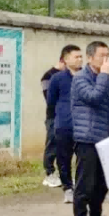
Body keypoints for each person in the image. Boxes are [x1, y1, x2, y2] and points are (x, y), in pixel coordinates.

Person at [70, 40, 109, 216]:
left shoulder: (106, 78)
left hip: (105, 135)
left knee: (102, 181)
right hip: (87, 136)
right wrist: (104, 75)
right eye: (102, 55)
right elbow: (93, 97)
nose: (106, 60)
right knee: (86, 181)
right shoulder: (80, 79)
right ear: (90, 58)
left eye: (108, 55)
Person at [47, 44, 82, 204]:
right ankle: (68, 188)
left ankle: (84, 189)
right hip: (64, 126)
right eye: (76, 56)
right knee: (64, 158)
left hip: (83, 126)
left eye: (81, 56)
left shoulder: (87, 77)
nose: (80, 59)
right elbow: (51, 102)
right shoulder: (57, 79)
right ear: (66, 59)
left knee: (85, 159)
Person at [40, 57, 65, 188]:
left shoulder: (68, 76)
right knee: (52, 144)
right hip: (53, 117)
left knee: (63, 146)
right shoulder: (48, 76)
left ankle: (62, 174)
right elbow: (50, 98)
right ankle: (49, 174)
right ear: (62, 61)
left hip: (66, 118)